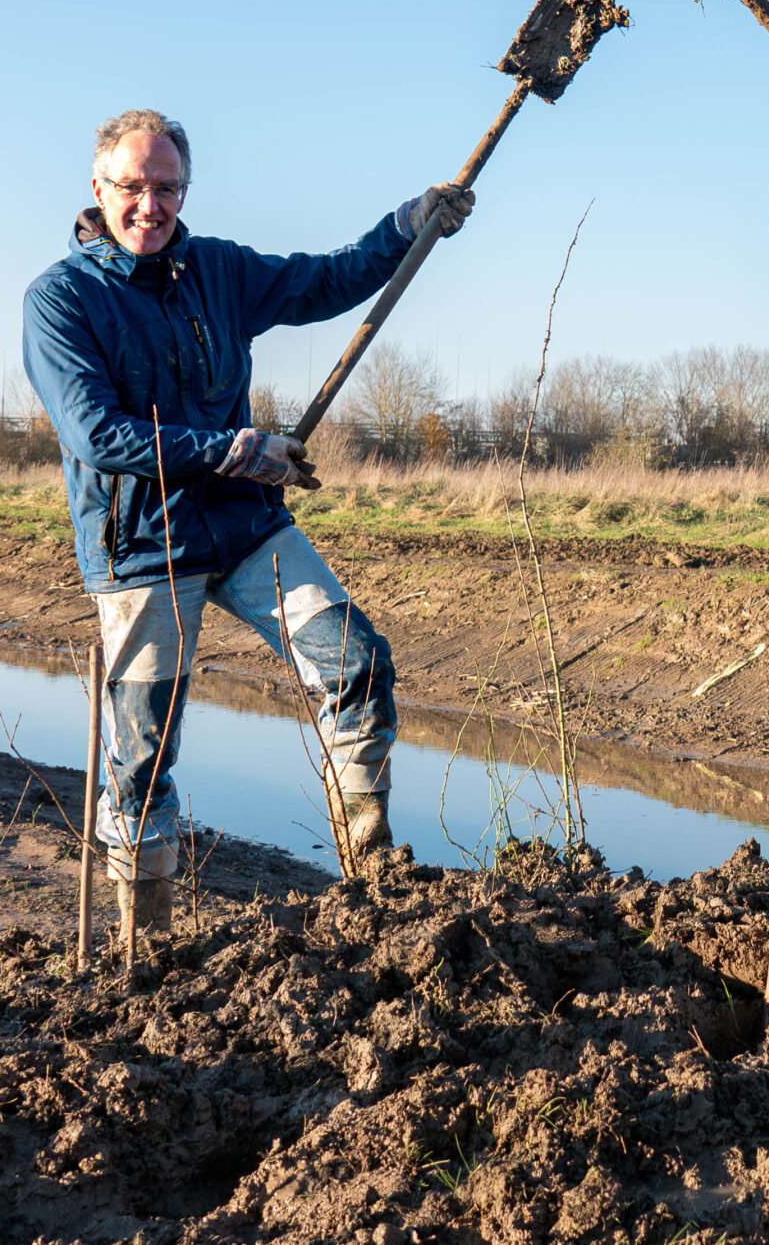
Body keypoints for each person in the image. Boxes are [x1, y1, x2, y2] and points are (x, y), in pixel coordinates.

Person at [23, 108, 471, 931]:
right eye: (133, 187)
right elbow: (100, 434)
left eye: (166, 188)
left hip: (247, 526)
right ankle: (142, 937)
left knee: (356, 664)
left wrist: (409, 225)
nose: (149, 206)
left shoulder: (218, 271)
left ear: (184, 189)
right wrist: (233, 449)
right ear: (99, 188)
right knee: (143, 756)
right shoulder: (61, 299)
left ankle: (370, 889)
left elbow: (328, 279)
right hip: (143, 546)